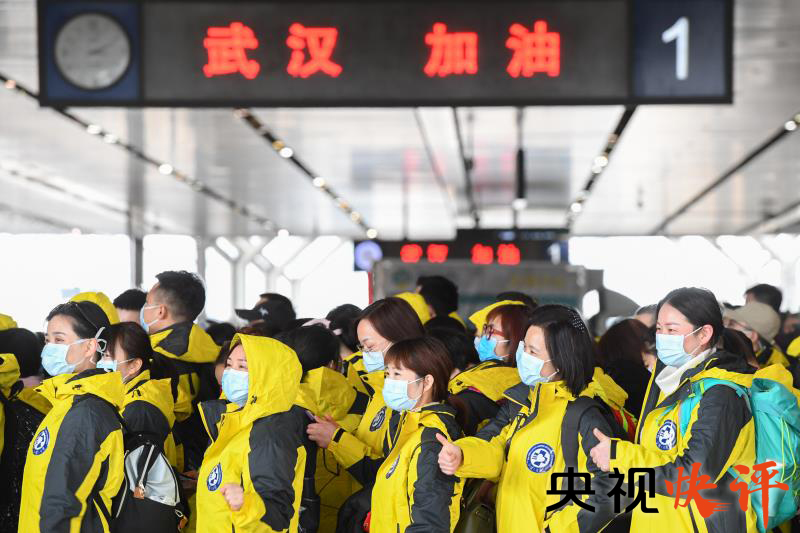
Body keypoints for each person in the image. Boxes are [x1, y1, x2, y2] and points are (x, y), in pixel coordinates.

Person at [436, 305, 621, 531]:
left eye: (533, 352)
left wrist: (555, 530)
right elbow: (493, 446)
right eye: (524, 347)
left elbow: (606, 490)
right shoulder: (521, 403)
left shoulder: (585, 416)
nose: (523, 356)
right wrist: (463, 455)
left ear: (562, 359)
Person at [589, 287, 757, 531]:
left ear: (704, 333)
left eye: (672, 330)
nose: (662, 337)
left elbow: (693, 477)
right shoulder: (667, 380)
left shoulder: (721, 395)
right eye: (659, 328)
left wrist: (619, 455)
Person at [19, 301, 125, 532]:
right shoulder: (66, 402)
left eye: (59, 340)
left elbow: (63, 503)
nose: (49, 348)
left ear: (90, 346)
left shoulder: (86, 412)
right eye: (47, 340)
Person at [346, 337, 465, 532]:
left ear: (427, 382)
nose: (389, 382)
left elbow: (430, 523)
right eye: (387, 374)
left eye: (397, 374)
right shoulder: (407, 426)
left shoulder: (432, 440)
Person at [196, 334, 307, 533]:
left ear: (269, 375)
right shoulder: (234, 420)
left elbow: (277, 514)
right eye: (229, 364)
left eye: (242, 367)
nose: (230, 373)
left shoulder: (269, 435)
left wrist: (245, 505)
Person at [277, 324, 369, 533]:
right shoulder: (368, 403)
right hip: (351, 516)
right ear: (333, 364)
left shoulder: (274, 402)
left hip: (294, 517)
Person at [141, 270, 219, 470]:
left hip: (170, 464)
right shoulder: (219, 354)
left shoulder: (152, 359)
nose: (144, 309)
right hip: (211, 461)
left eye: (147, 303)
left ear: (160, 311)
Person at [97, 322, 178, 465]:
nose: (100, 362)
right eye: (101, 355)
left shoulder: (141, 410)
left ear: (134, 366)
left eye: (107, 356)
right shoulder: (124, 394)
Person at [597, 318, 654, 414]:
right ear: (633, 344)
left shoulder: (604, 378)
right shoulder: (638, 377)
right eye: (645, 342)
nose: (648, 348)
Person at [724, 301, 790, 368]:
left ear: (752, 336)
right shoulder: (768, 358)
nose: (725, 328)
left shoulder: (773, 369)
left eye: (731, 324)